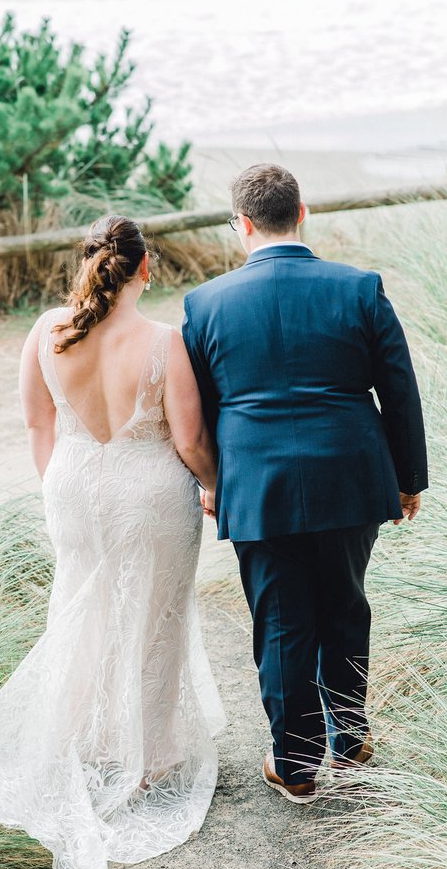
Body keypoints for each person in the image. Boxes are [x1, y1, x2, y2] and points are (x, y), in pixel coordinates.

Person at [0, 215, 226, 869]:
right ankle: (147, 760)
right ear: (145, 268)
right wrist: (214, 486)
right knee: (154, 620)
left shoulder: (47, 330)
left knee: (80, 615)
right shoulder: (164, 341)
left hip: (73, 490)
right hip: (150, 498)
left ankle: (82, 743)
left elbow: (37, 423)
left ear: (86, 263)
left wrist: (60, 488)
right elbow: (190, 440)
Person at [182, 163, 428, 804]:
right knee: (344, 604)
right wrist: (408, 479)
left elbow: (197, 409)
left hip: (255, 486)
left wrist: (212, 481)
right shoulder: (359, 288)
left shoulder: (205, 304)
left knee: (280, 621)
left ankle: (294, 764)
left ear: (241, 225)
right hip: (350, 477)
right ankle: (349, 742)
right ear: (302, 212)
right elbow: (399, 391)